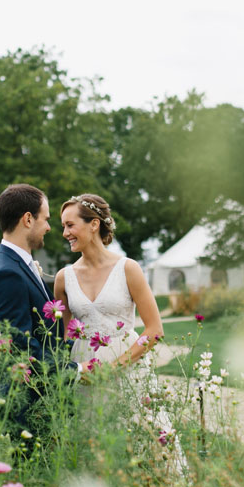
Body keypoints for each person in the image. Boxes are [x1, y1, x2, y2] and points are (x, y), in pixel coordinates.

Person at [54, 194, 185, 471]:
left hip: (129, 370)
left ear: (94, 225)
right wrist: (75, 372)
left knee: (145, 440)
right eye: (62, 227)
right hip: (85, 376)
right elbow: (66, 336)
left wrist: (113, 368)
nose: (64, 233)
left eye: (70, 225)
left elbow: (154, 330)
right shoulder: (63, 278)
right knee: (94, 446)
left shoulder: (128, 269)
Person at [0, 184, 80, 431]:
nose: (49, 227)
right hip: (26, 410)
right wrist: (76, 370)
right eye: (45, 219)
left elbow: (39, 332)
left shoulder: (15, 264)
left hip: (35, 404)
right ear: (27, 219)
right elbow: (19, 348)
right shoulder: (7, 273)